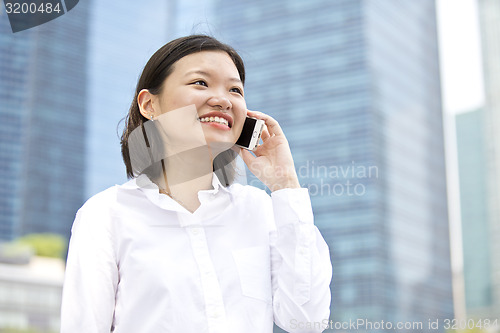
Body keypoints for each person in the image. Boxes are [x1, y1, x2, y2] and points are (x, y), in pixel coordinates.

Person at [60, 35, 332, 333]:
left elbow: (306, 321)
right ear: (149, 104)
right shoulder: (106, 215)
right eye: (201, 83)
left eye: (235, 89)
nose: (222, 99)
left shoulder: (260, 210)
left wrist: (285, 184)